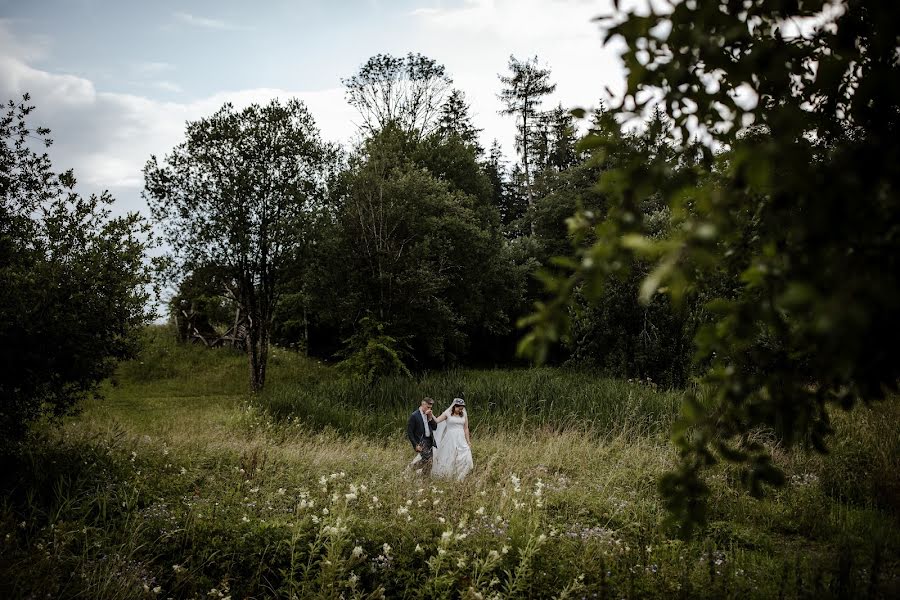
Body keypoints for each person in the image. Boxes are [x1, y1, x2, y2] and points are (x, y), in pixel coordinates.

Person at [432, 398, 473, 480]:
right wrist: (431, 414)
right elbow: (437, 420)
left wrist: (468, 441)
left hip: (461, 437)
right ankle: (448, 475)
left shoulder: (463, 414)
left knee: (466, 455)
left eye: (462, 408)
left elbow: (466, 428)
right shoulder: (447, 413)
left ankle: (461, 474)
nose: (460, 410)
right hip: (450, 437)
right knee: (450, 455)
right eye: (459, 408)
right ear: (454, 406)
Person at [406, 397, 438, 475]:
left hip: (429, 440)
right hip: (421, 440)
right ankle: (411, 468)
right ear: (423, 404)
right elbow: (410, 432)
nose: (429, 409)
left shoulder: (429, 414)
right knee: (428, 459)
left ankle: (424, 479)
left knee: (430, 462)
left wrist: (430, 418)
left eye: (431, 407)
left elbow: (435, 427)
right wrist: (415, 445)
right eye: (428, 407)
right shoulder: (414, 415)